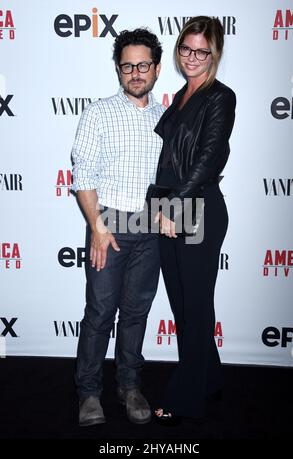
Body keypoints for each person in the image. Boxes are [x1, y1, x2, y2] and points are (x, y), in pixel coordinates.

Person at [71, 28, 165, 426]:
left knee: (136, 313)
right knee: (99, 313)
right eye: (127, 66)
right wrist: (96, 227)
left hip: (152, 229)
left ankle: (129, 386)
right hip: (108, 224)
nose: (135, 72)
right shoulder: (98, 112)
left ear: (157, 69)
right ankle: (89, 393)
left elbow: (173, 177)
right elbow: (82, 174)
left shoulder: (167, 117)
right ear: (118, 69)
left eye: (143, 65)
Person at [153, 16, 236, 425]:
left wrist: (174, 207)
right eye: (186, 48)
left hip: (197, 207)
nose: (191, 57)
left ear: (214, 54)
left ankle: (186, 397)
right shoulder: (181, 96)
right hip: (169, 208)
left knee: (196, 305)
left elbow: (209, 159)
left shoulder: (220, 97)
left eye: (201, 51)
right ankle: (210, 377)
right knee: (184, 304)